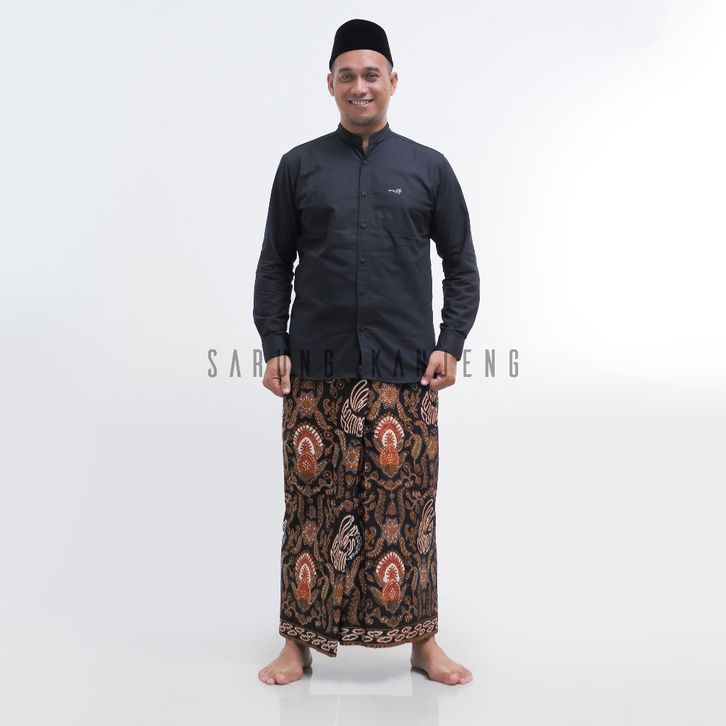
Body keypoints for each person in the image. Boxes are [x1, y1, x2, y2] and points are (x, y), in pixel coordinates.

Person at [253, 19, 479, 686]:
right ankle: (297, 646)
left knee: (407, 513)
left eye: (371, 74)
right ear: (330, 84)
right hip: (315, 370)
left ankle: (423, 644)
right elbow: (275, 264)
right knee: (310, 509)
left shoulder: (428, 168)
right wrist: (273, 344)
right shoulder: (299, 166)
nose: (360, 86)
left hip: (405, 373)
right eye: (347, 75)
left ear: (392, 82)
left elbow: (462, 266)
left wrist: (450, 343)